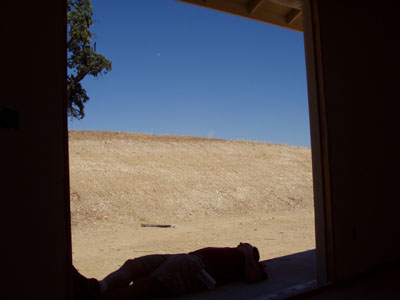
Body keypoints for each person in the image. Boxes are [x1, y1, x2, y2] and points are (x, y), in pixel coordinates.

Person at [74, 242, 268, 300]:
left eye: (247, 245)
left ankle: (96, 299)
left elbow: (254, 277)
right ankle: (98, 287)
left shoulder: (248, 262)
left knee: (147, 285)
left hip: (195, 268)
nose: (242, 243)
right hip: (183, 257)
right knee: (133, 265)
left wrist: (246, 254)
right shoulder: (238, 255)